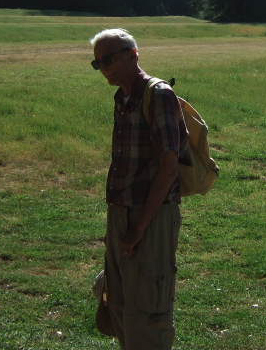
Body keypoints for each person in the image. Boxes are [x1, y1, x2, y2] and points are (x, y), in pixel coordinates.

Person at [89, 28, 188, 350]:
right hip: (122, 212)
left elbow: (168, 167)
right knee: (117, 303)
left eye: (108, 59)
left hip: (152, 216)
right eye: (97, 63)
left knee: (146, 311)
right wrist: (119, 225)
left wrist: (137, 229)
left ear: (133, 54)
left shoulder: (157, 94)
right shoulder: (123, 97)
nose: (103, 67)